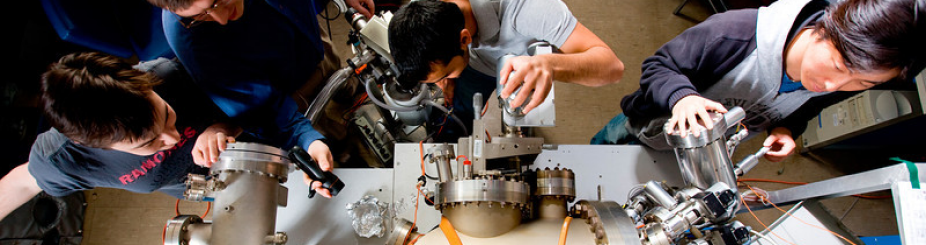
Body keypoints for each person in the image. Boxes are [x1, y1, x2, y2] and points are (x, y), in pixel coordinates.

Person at [591, 0, 926, 162]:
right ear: (827, 29)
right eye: (839, 66)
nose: (833, 86)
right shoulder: (733, 33)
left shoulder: (838, 82)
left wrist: (785, 131)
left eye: (862, 84)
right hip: (644, 126)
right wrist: (683, 97)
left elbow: (801, 111)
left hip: (701, 152)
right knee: (599, 159)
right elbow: (658, 66)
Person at [0, 52, 251, 220]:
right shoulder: (65, 159)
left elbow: (276, 94)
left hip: (256, 152)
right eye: (151, 142)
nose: (172, 138)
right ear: (97, 147)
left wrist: (225, 127)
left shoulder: (172, 73)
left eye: (167, 115)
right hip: (220, 193)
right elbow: (20, 184)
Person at [145, 0, 376, 180]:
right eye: (198, 16)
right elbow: (261, 108)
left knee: (335, 70)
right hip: (286, 92)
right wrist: (309, 140)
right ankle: (343, 148)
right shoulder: (190, 38)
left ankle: (348, 91)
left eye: (217, 3)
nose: (222, 19)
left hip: (308, 39)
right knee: (325, 136)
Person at [387, 0, 625, 138]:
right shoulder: (425, 8)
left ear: (464, 39)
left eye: (446, 74)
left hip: (521, 65)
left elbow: (612, 66)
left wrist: (550, 65)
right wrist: (445, 79)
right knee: (457, 112)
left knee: (521, 117)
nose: (443, 83)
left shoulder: (529, 9)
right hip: (473, 63)